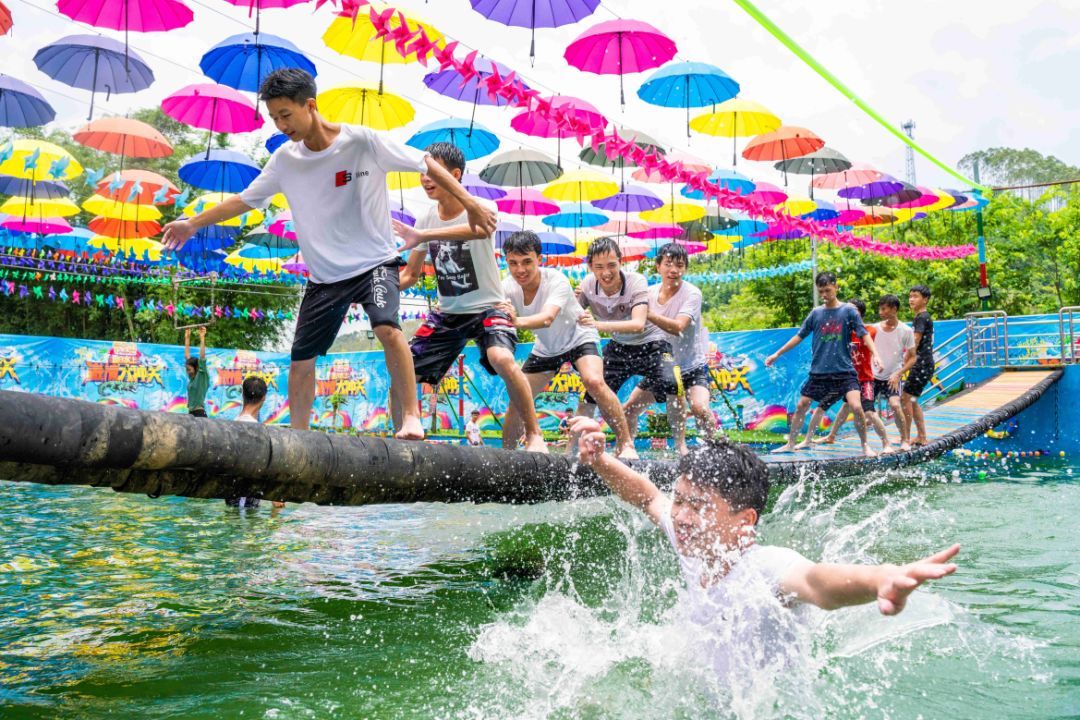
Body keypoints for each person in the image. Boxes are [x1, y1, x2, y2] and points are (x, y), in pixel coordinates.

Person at [161, 68, 497, 439]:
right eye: (274, 118)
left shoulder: (362, 141)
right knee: (301, 358)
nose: (281, 124)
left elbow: (427, 163)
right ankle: (300, 439)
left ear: (311, 105)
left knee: (387, 327)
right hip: (325, 276)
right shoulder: (286, 160)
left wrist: (472, 204)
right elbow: (245, 200)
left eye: (286, 115)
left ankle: (411, 418)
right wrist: (192, 224)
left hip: (375, 263)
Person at [570, 414, 961, 676]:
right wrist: (599, 460)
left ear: (745, 521)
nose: (682, 516)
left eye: (699, 506)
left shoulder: (766, 568)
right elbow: (647, 496)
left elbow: (817, 582)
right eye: (682, 500)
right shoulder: (696, 542)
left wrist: (882, 579)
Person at [394, 144, 545, 453]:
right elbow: (410, 275)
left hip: (489, 307)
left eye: (433, 172)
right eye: (422, 173)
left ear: (455, 175)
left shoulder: (480, 205)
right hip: (448, 313)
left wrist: (422, 236)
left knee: (501, 357)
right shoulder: (424, 219)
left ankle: (534, 435)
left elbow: (478, 230)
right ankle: (403, 442)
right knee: (403, 368)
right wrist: (368, 290)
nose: (425, 179)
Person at [496, 230, 637, 459]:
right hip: (547, 347)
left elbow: (547, 317)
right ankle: (505, 458)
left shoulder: (556, 279)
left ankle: (626, 443)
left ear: (539, 259)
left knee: (593, 381)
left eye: (527, 262)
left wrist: (516, 320)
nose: (520, 270)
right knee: (517, 399)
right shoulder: (506, 288)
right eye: (513, 263)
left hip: (579, 337)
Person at [765, 272, 883, 458]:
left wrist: (876, 355)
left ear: (836, 287)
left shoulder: (848, 311)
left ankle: (865, 445)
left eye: (828, 290)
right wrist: (777, 354)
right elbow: (799, 336)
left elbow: (863, 333)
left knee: (857, 406)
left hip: (844, 371)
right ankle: (790, 444)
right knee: (803, 404)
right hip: (819, 371)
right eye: (821, 292)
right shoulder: (816, 313)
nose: (825, 295)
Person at [575, 237, 678, 445]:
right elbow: (571, 317)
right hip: (620, 347)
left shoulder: (635, 281)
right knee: (592, 393)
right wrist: (571, 300)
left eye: (612, 265)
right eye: (599, 267)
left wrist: (597, 325)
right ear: (590, 267)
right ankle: (574, 451)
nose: (606, 273)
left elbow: (638, 323)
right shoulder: (587, 285)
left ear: (620, 262)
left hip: (653, 343)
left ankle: (682, 446)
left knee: (674, 386)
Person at [622, 243, 717, 456]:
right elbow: (620, 306)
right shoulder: (647, 293)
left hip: (691, 367)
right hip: (661, 366)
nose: (674, 270)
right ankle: (628, 450)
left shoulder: (692, 293)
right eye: (668, 264)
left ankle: (716, 449)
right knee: (628, 409)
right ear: (658, 267)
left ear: (685, 269)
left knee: (700, 408)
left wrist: (646, 313)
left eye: (680, 265)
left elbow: (678, 327)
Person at [807, 298, 894, 453]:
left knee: (869, 412)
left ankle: (886, 443)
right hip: (844, 378)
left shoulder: (869, 330)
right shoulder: (840, 332)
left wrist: (877, 359)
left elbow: (867, 338)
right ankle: (830, 436)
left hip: (864, 380)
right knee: (831, 406)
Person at [227, 376, 284, 509]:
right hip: (247, 496)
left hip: (231, 493)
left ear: (243, 395)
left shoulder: (230, 426)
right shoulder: (260, 432)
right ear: (264, 398)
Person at [901, 285, 934, 447]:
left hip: (921, 364)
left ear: (925, 299)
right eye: (910, 296)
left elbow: (915, 341)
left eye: (915, 296)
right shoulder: (922, 316)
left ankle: (906, 437)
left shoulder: (922, 317)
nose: (911, 299)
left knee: (906, 398)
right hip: (924, 364)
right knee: (912, 399)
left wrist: (905, 360)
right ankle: (921, 436)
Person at [184, 326, 210, 418]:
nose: (187, 372)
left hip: (199, 414)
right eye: (187, 369)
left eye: (189, 369)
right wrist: (187, 338)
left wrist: (202, 338)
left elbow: (202, 357)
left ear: (196, 368)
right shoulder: (192, 378)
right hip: (191, 413)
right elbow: (187, 358)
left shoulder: (201, 376)